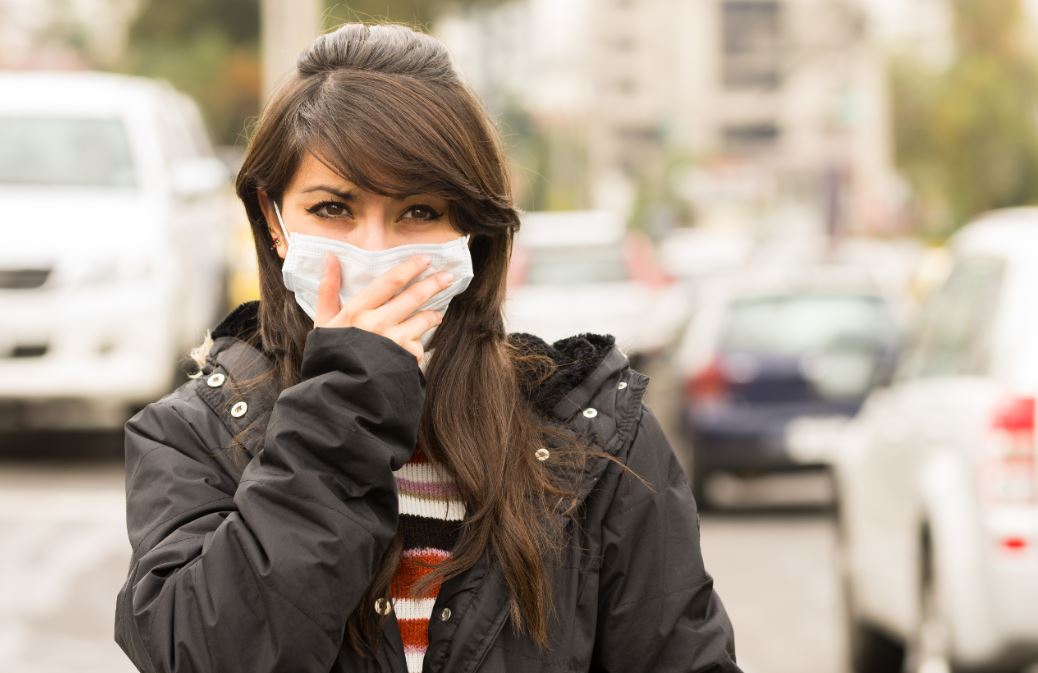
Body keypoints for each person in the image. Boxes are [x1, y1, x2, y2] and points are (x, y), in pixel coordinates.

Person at [113, 21, 742, 673]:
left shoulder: (600, 437)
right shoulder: (196, 436)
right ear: (274, 221)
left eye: (417, 212)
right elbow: (203, 654)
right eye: (333, 209)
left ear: (471, 230)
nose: (377, 251)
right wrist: (339, 416)